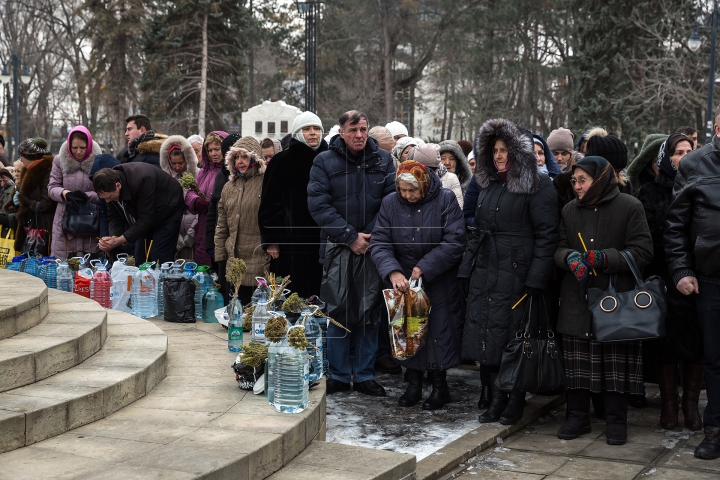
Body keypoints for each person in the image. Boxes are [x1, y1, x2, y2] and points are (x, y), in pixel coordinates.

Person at [459, 118, 559, 426]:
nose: (499, 156)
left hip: (518, 270)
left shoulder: (538, 184)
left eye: (505, 150)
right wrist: (468, 265)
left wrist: (536, 277)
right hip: (487, 265)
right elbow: (477, 225)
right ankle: (495, 396)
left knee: (514, 335)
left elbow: (547, 234)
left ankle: (514, 398)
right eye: (495, 150)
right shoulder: (489, 182)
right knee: (488, 332)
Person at [554, 156, 653, 446]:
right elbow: (559, 247)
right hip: (578, 298)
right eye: (574, 181)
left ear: (599, 179)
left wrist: (606, 257)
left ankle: (616, 421)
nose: (577, 186)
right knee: (577, 367)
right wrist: (569, 257)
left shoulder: (630, 206)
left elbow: (643, 251)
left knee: (615, 365)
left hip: (616, 300)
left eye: (582, 180)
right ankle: (577, 418)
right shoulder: (570, 210)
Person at [308, 110, 396, 396]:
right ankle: (338, 373)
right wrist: (349, 237)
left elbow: (391, 201)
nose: (359, 134)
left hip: (374, 246)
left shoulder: (382, 159)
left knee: (370, 313)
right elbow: (319, 206)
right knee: (338, 312)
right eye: (353, 129)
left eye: (363, 129)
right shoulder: (324, 161)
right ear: (342, 131)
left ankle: (365, 375)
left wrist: (369, 236)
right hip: (338, 249)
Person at [370, 160, 466, 410]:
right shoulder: (390, 203)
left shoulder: (445, 200)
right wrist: (392, 272)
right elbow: (380, 241)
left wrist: (425, 266)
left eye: (412, 190)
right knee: (407, 332)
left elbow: (455, 241)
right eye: (402, 190)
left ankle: (439, 386)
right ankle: (413, 384)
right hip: (404, 281)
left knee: (436, 332)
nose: (407, 195)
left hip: (438, 278)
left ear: (424, 185)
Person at [635, 133, 702, 431]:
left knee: (696, 343)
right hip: (662, 280)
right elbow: (648, 236)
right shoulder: (649, 193)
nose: (684, 156)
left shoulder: (703, 186)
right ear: (665, 158)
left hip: (698, 278)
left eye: (689, 150)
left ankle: (690, 405)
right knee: (665, 344)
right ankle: (669, 405)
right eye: (677, 151)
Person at [665, 106, 720, 459]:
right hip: (711, 280)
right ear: (717, 127)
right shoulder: (695, 164)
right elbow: (675, 226)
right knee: (714, 360)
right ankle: (715, 429)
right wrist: (682, 271)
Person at [259, 111, 327, 299]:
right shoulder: (281, 161)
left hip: (324, 236)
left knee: (322, 290)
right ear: (297, 133)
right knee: (292, 293)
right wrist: (272, 239)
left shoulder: (330, 159)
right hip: (291, 240)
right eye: (306, 129)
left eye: (316, 129)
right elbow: (269, 204)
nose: (313, 133)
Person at [93, 163, 184, 264]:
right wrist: (114, 236)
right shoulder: (109, 187)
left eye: (109, 197)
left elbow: (145, 220)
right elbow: (114, 217)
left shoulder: (141, 180)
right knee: (141, 256)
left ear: (118, 185)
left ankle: (162, 278)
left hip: (169, 210)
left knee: (159, 257)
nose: (107, 201)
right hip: (145, 216)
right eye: (104, 198)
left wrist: (119, 241)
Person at [215, 137, 269, 305]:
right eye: (236, 157)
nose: (240, 161)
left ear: (255, 159)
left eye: (244, 157)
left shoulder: (265, 183)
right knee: (234, 317)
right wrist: (219, 252)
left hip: (258, 256)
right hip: (233, 258)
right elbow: (222, 222)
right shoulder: (229, 187)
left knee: (255, 314)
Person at [47, 126, 102, 258]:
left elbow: (104, 191)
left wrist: (87, 196)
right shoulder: (59, 160)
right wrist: (66, 194)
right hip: (64, 219)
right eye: (74, 147)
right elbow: (52, 187)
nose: (78, 152)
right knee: (63, 266)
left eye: (82, 148)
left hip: (91, 220)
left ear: (89, 145)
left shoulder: (99, 160)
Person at [3, 138, 56, 256]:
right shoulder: (27, 170)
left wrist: (24, 202)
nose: (20, 159)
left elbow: (47, 203)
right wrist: (17, 204)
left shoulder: (46, 171)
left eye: (21, 155)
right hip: (28, 227)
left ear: (29, 156)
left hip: (42, 229)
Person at [187, 130, 228, 267]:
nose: (213, 154)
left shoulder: (229, 172)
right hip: (204, 227)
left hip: (222, 227)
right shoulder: (204, 171)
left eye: (217, 149)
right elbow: (191, 192)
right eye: (210, 150)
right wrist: (196, 201)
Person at [159, 135, 199, 261]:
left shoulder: (198, 176)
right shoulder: (167, 180)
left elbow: (202, 206)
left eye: (180, 163)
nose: (177, 167)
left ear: (188, 160)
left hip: (195, 228)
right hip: (175, 232)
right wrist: (175, 234)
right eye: (173, 163)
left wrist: (192, 233)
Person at [408, 144, 463, 208]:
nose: (447, 162)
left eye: (432, 169)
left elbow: (457, 208)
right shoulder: (407, 180)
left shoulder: (451, 178)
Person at [0, 167, 17, 237]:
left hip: (10, 231)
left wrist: (5, 219)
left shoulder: (14, 190)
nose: (2, 184)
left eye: (4, 180)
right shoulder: (3, 190)